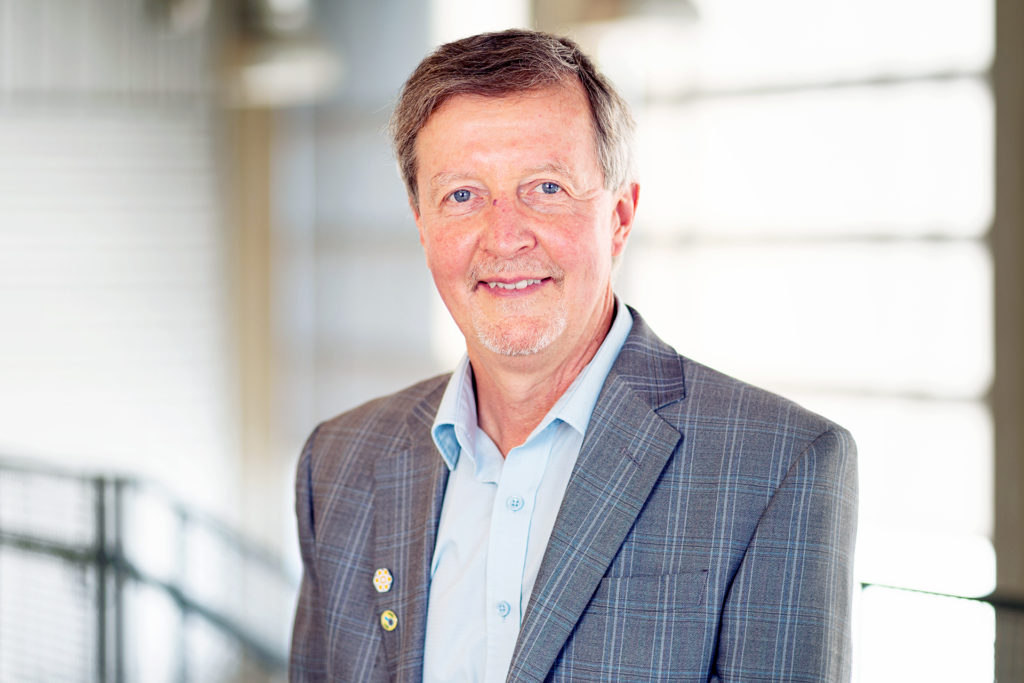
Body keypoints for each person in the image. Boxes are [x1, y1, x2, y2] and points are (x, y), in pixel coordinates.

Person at [289, 28, 857, 683]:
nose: (503, 236)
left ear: (619, 217)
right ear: (422, 224)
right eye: (463, 195)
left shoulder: (777, 466)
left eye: (546, 188)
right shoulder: (337, 463)